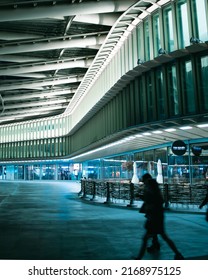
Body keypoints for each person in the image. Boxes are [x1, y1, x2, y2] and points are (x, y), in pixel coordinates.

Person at [135, 174, 184, 260]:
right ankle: (177, 254)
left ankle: (139, 257)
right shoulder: (156, 195)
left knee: (146, 238)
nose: (144, 185)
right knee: (163, 236)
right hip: (158, 218)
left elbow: (150, 203)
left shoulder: (151, 195)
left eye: (145, 182)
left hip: (153, 219)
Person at [138, 173, 160, 253]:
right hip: (153, 213)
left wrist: (143, 197)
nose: (143, 182)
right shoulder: (153, 188)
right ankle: (155, 244)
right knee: (159, 234)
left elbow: (150, 200)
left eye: (143, 180)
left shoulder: (150, 188)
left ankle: (139, 257)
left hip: (152, 213)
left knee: (147, 236)